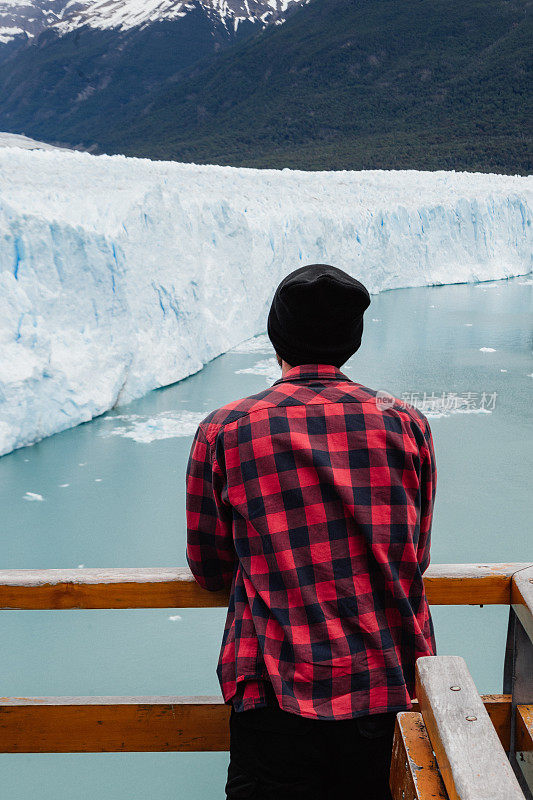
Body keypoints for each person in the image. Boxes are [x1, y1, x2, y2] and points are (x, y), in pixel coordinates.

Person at [186, 264, 437, 800]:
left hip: (275, 691)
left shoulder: (226, 428)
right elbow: (414, 555)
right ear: (353, 340)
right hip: (387, 684)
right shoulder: (406, 423)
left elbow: (208, 567)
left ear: (276, 334)